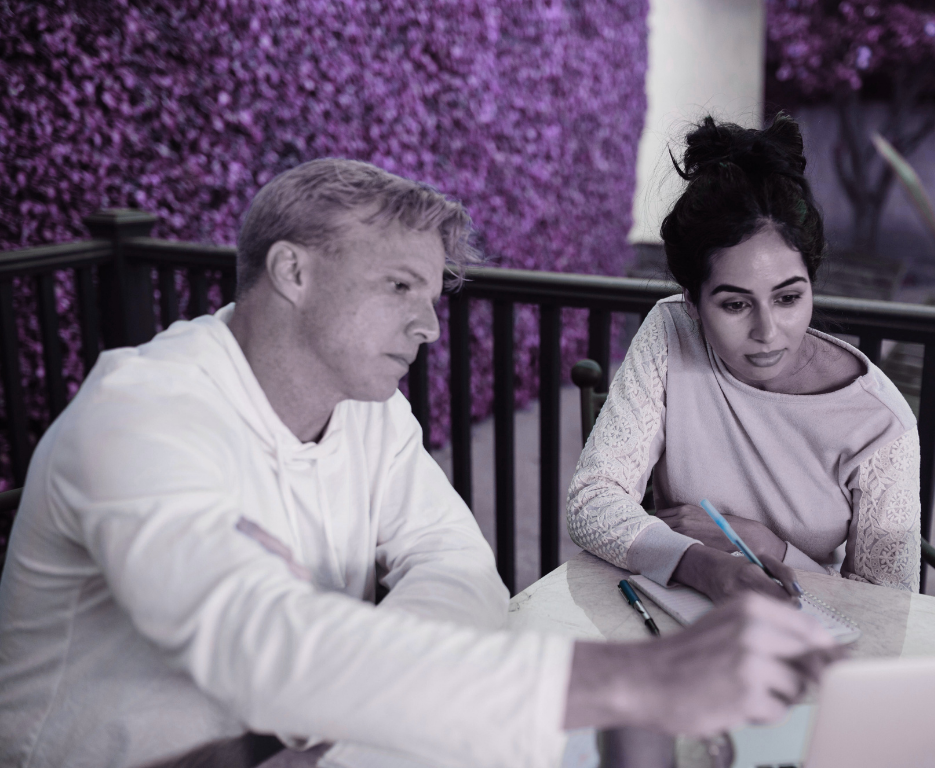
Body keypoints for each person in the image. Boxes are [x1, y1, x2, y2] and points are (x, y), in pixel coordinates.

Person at [0, 158, 839, 768]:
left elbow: (457, 567)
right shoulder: (140, 411)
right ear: (292, 271)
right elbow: (252, 643)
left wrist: (349, 696)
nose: (430, 326)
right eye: (400, 286)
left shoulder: (369, 408)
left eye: (433, 297)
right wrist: (632, 678)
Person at [567, 114, 921, 608]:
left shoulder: (880, 422)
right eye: (735, 304)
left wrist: (764, 545)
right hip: (679, 618)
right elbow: (591, 500)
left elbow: (891, 607)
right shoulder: (672, 330)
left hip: (810, 632)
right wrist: (701, 565)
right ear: (692, 302)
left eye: (788, 298)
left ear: (811, 284)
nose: (767, 332)